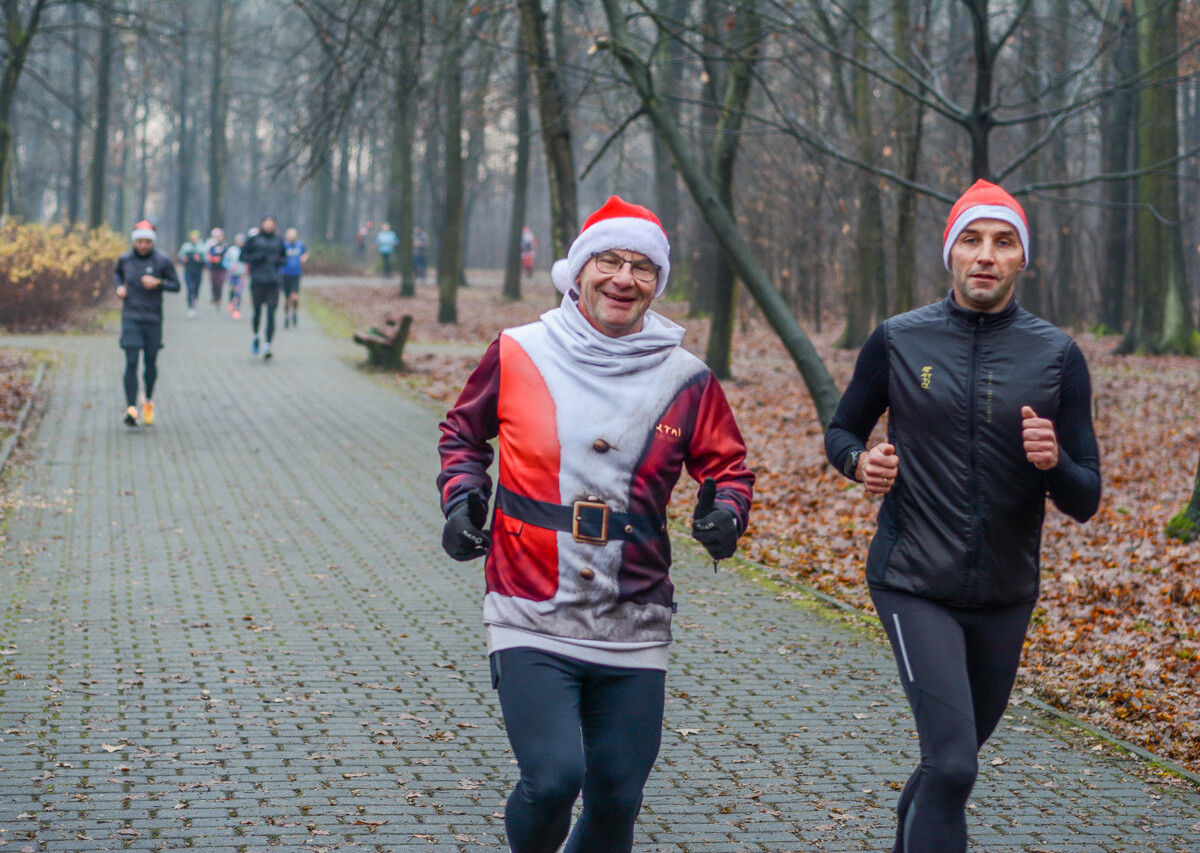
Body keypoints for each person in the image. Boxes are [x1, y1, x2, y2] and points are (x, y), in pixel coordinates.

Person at [437, 196, 755, 853]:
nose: (624, 278)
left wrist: (726, 509)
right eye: (608, 260)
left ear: (657, 283)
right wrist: (464, 494)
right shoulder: (520, 350)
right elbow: (463, 433)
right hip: (529, 601)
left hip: (633, 611)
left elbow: (727, 465)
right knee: (553, 779)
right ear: (578, 271)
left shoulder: (687, 376)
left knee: (616, 797)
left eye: (642, 267)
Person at [823, 179, 1102, 853]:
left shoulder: (1057, 356)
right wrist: (863, 462)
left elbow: (1085, 496)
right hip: (913, 577)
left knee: (946, 766)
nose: (986, 255)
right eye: (971, 240)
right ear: (950, 253)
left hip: (1005, 592)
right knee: (953, 764)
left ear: (1021, 260)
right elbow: (841, 431)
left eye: (1003, 242)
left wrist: (1053, 461)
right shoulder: (898, 340)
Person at [114, 221, 180, 426]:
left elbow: (176, 285)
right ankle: (131, 408)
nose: (143, 246)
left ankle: (148, 399)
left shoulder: (162, 261)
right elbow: (117, 274)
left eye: (147, 242)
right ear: (134, 241)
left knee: (150, 364)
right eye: (140, 241)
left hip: (153, 319)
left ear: (153, 242)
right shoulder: (125, 259)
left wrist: (158, 283)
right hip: (131, 317)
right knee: (131, 361)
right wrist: (119, 288)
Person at [240, 215, 287, 359]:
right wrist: (257, 258)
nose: (268, 226)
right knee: (257, 311)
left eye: (271, 223)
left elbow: (285, 258)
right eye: (266, 223)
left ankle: (268, 345)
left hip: (273, 281)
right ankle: (255, 336)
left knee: (271, 314)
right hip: (258, 281)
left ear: (274, 225)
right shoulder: (254, 239)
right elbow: (243, 256)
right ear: (262, 225)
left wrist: (278, 261)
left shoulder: (279, 240)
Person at [281, 227, 309, 329]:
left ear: (296, 237)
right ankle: (286, 316)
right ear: (287, 236)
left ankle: (295, 312)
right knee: (287, 299)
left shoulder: (300, 245)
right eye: (290, 235)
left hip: (296, 274)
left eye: (293, 236)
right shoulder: (283, 245)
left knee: (294, 296)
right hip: (284, 274)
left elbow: (305, 253)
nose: (291, 237)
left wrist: (304, 258)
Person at [177, 229, 206, 318]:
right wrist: (183, 260)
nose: (194, 239)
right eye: (192, 238)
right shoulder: (186, 247)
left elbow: (205, 261)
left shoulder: (201, 247)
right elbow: (180, 257)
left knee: (196, 288)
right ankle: (190, 306)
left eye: (195, 238)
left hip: (198, 272)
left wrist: (199, 260)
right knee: (190, 289)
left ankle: (195, 299)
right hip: (188, 271)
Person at [223, 233, 246, 320]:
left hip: (242, 274)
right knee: (232, 290)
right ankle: (231, 302)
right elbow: (225, 261)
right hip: (232, 274)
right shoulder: (231, 250)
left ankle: (237, 309)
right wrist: (229, 266)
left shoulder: (246, 250)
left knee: (239, 292)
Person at [205, 228, 228, 309]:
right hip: (213, 267)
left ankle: (219, 299)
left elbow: (227, 256)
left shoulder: (225, 245)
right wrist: (214, 259)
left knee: (220, 284)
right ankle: (214, 297)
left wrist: (222, 259)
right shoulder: (212, 246)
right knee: (214, 283)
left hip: (222, 268)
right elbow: (208, 255)